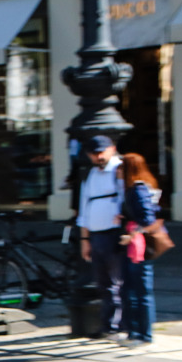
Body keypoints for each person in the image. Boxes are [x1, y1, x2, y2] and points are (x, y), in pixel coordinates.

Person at [76, 135, 126, 341]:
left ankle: (121, 325)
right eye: (94, 153)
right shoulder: (92, 175)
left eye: (101, 151)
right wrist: (84, 240)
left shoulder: (119, 170)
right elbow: (84, 209)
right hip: (96, 234)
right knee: (103, 283)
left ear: (112, 149)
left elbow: (126, 198)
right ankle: (108, 325)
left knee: (118, 281)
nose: (98, 156)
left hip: (114, 232)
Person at [120, 153, 160, 347]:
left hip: (139, 244)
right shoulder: (139, 187)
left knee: (139, 290)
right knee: (134, 289)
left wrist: (132, 232)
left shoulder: (137, 189)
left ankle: (143, 335)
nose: (117, 171)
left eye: (121, 167)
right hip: (136, 243)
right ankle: (136, 333)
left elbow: (148, 218)